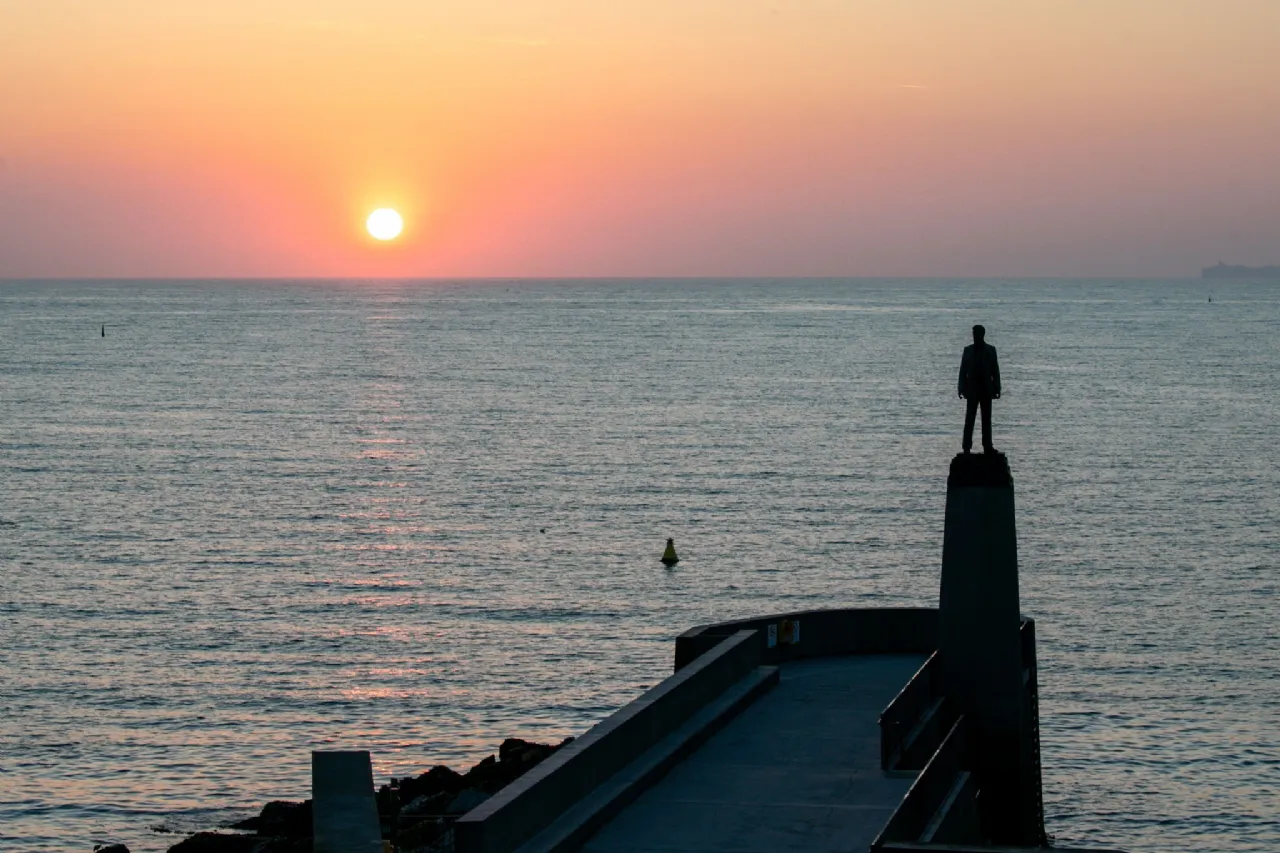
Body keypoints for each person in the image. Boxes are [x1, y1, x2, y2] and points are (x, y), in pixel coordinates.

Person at [958, 324, 1001, 454]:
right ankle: (966, 446)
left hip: (986, 389)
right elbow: (963, 370)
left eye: (976, 333)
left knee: (986, 419)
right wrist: (961, 387)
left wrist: (997, 387)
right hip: (972, 389)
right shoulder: (968, 350)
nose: (974, 336)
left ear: (982, 334)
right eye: (973, 334)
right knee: (969, 419)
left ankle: (987, 446)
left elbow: (995, 370)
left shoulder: (990, 350)